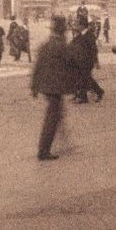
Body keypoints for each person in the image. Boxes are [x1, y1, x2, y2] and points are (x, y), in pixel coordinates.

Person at [31, 15, 80, 161]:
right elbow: (73, 62)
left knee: (57, 114)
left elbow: (37, 67)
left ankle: (62, 142)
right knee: (52, 118)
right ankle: (44, 150)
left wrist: (34, 86)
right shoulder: (62, 46)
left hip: (46, 87)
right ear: (62, 31)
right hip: (55, 88)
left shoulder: (45, 45)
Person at [70, 9, 104, 103]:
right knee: (85, 77)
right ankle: (85, 96)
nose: (76, 26)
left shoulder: (89, 35)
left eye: (78, 24)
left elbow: (94, 49)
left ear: (82, 25)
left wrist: (96, 62)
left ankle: (95, 93)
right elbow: (73, 44)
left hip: (88, 60)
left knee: (85, 77)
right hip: (81, 60)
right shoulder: (80, 35)